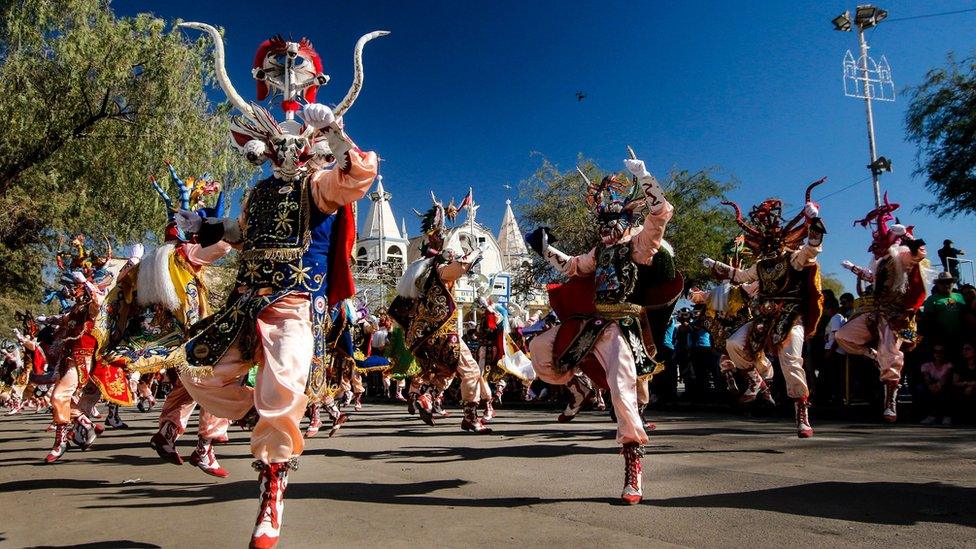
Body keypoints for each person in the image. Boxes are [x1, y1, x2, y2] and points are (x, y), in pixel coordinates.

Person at [171, 23, 384, 549]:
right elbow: (242, 235)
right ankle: (268, 412)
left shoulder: (321, 185)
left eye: (298, 145)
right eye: (277, 146)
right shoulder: (260, 192)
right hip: (243, 304)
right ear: (265, 148)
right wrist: (206, 229)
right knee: (191, 369)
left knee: (282, 395)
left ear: (309, 149)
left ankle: (271, 501)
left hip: (293, 304)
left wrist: (334, 130)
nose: (287, 152)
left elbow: (359, 177)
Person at [526, 153, 673, 504]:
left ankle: (633, 463)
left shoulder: (639, 245)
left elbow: (661, 214)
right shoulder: (598, 252)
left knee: (623, 393)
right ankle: (580, 390)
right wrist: (547, 250)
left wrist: (646, 175)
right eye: (602, 226)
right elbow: (572, 267)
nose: (607, 231)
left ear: (626, 223)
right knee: (540, 350)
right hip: (592, 323)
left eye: (613, 225)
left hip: (622, 326)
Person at [703, 179, 827, 438]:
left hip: (789, 317)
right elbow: (739, 276)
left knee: (791, 361)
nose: (769, 247)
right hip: (762, 316)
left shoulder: (793, 259)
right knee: (734, 344)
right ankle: (756, 380)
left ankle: (801, 411)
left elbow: (811, 249)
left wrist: (814, 219)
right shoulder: (759, 267)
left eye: (774, 243)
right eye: (765, 244)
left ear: (783, 243)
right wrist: (716, 265)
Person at [388, 194, 491, 433]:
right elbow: (459, 268)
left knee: (447, 371)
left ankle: (427, 398)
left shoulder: (422, 272)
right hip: (445, 333)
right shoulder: (438, 270)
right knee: (472, 371)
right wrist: (477, 250)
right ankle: (470, 418)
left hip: (429, 334)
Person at [922, 272, 967, 350]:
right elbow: (927, 321)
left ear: (953, 283)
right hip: (942, 339)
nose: (946, 285)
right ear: (938, 285)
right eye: (942, 283)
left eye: (949, 282)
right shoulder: (931, 299)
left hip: (961, 337)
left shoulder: (960, 296)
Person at [918, 345, 953, 425]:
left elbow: (946, 376)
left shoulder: (948, 365)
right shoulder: (927, 365)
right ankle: (931, 416)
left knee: (946, 390)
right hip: (931, 385)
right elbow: (926, 377)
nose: (938, 354)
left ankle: (946, 416)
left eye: (941, 352)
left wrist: (939, 385)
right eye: (936, 352)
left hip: (943, 385)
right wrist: (930, 385)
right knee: (921, 388)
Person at [952, 342, 976, 424]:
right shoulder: (959, 365)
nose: (965, 351)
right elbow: (955, 382)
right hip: (962, 389)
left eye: (968, 349)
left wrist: (972, 386)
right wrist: (967, 384)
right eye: (964, 349)